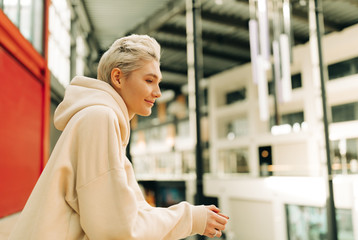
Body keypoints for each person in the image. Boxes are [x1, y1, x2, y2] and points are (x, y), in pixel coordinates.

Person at [9, 34, 229, 239]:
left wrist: (193, 216)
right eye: (149, 80)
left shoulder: (99, 118)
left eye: (158, 82)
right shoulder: (100, 118)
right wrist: (190, 219)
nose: (158, 92)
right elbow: (118, 229)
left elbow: (129, 213)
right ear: (118, 78)